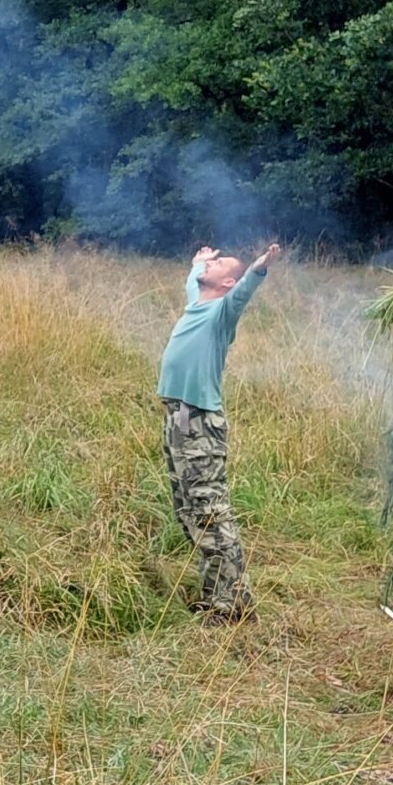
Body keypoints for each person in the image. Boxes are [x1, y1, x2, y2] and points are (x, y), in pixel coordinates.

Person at [156, 242, 281, 622]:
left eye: (219, 262)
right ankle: (217, 593)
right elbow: (193, 280)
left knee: (211, 512)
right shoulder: (197, 303)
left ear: (228, 281)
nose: (212, 262)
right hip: (178, 419)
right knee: (189, 511)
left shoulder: (221, 313)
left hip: (200, 423)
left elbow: (243, 293)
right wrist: (198, 262)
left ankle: (231, 606)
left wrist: (258, 268)